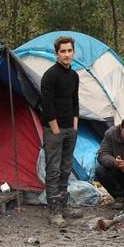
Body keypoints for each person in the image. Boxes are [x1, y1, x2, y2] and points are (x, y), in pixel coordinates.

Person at [41, 35, 82, 227]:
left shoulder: (74, 75)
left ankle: (63, 205)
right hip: (54, 130)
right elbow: (46, 104)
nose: (67, 54)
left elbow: (75, 100)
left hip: (70, 128)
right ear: (56, 53)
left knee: (66, 168)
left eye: (69, 50)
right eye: (63, 51)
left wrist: (74, 125)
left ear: (73, 52)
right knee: (54, 169)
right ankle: (53, 210)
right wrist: (55, 129)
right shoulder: (50, 75)